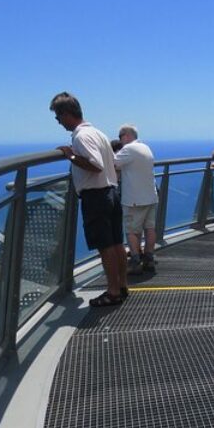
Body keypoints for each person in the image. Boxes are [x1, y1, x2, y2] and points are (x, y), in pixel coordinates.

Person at [50, 92, 127, 307]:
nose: (58, 122)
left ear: (66, 114)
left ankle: (112, 292)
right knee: (116, 242)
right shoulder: (99, 133)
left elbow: (95, 165)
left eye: (58, 117)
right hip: (111, 191)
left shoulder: (81, 136)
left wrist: (71, 156)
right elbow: (113, 165)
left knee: (106, 246)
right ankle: (121, 286)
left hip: (96, 195)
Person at [114, 124, 158, 275]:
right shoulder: (145, 147)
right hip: (151, 196)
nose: (120, 141)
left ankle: (135, 260)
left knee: (132, 230)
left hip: (134, 198)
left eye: (120, 137)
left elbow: (113, 163)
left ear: (126, 135)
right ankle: (149, 258)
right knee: (149, 228)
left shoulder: (128, 149)